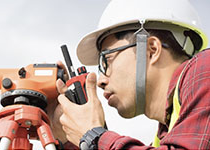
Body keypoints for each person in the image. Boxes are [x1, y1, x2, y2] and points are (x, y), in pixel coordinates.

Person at [50, 0, 210, 149]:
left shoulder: (206, 67)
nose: (100, 81)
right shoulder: (165, 135)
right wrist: (68, 137)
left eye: (106, 60)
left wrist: (93, 137)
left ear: (151, 50)